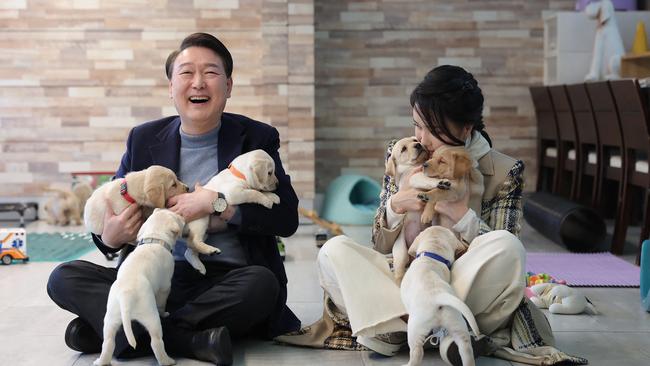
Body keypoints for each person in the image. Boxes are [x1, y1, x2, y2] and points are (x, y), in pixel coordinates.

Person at [276, 65, 587, 366]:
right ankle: (396, 327)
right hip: (403, 280)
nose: (422, 139)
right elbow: (380, 246)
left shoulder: (503, 171)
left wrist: (459, 214)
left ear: (467, 129)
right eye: (416, 125)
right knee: (333, 251)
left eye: (434, 130)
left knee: (507, 246)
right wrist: (395, 207)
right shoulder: (403, 153)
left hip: (461, 281)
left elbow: (501, 254)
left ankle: (441, 324)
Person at [47, 32, 301, 366]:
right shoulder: (143, 139)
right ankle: (188, 339)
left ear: (228, 86)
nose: (198, 83)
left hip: (224, 281)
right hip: (149, 276)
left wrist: (217, 206)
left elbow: (286, 219)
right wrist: (109, 237)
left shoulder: (256, 138)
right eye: (186, 73)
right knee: (63, 277)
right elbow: (110, 210)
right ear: (171, 87)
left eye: (210, 73)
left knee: (261, 284)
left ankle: (125, 333)